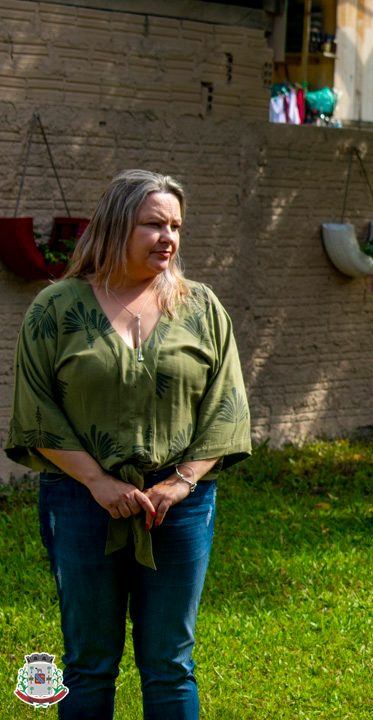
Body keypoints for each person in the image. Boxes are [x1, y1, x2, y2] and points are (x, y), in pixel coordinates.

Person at [5, 169, 251, 719]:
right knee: (89, 663)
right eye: (153, 224)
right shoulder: (56, 308)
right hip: (79, 503)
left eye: (176, 226)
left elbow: (226, 406)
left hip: (178, 510)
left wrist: (180, 483)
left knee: (170, 664)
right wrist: (97, 480)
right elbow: (36, 408)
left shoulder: (202, 308)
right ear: (117, 226)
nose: (168, 237)